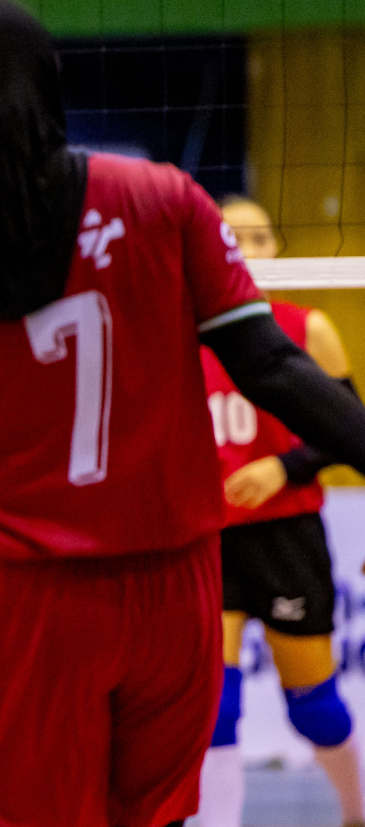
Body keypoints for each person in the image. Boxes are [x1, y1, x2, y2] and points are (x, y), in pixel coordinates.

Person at [0, 0, 365, 827]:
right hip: (172, 583)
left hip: (21, 603)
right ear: (53, 86)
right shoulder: (163, 199)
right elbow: (274, 366)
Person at [197, 196, 364, 827]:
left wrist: (281, 467)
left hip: (287, 533)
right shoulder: (176, 334)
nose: (245, 248)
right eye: (230, 237)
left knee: (314, 707)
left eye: (259, 236)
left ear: (280, 252)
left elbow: (349, 432)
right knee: (214, 704)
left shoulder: (307, 327)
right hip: (207, 538)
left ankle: (356, 810)